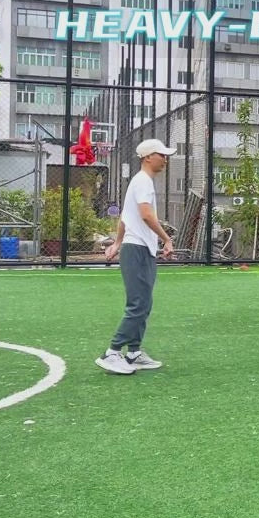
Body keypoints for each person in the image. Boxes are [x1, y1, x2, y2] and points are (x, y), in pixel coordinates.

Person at [95, 139, 176, 374]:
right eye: (161, 154)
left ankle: (133, 353)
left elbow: (125, 217)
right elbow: (146, 215)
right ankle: (112, 352)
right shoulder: (143, 182)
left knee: (144, 303)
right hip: (138, 250)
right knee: (138, 304)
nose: (165, 159)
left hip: (139, 249)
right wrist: (167, 239)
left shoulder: (140, 181)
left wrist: (117, 243)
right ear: (148, 157)